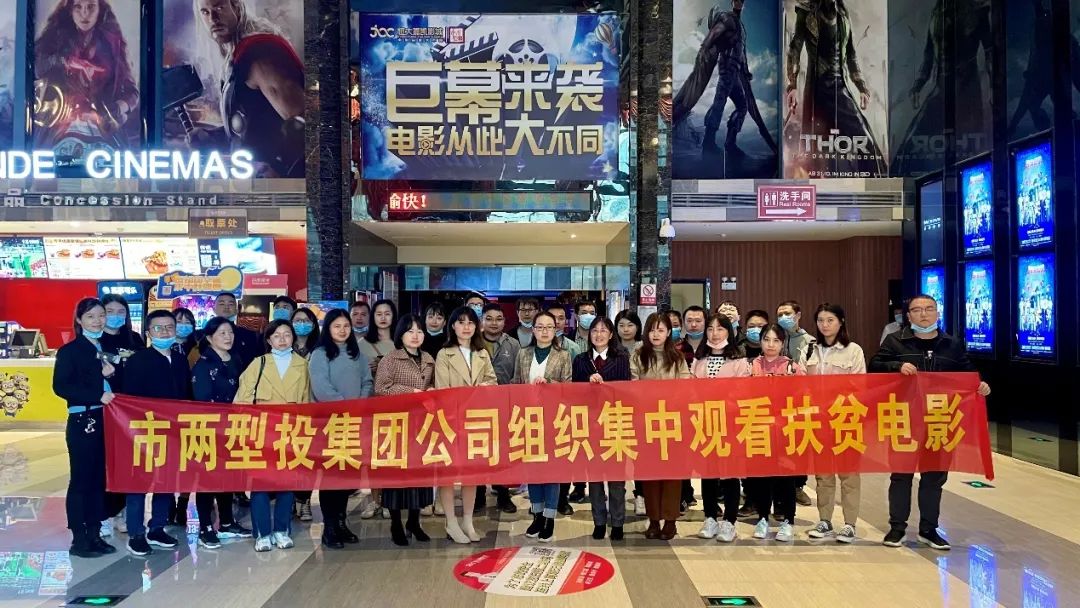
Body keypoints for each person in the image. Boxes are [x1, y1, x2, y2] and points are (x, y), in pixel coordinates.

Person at [871, 294, 991, 551]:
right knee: (901, 475)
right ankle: (897, 528)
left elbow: (968, 374)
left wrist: (979, 385)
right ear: (908, 316)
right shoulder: (895, 341)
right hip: (905, 419)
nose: (923, 314)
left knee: (934, 477)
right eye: (917, 310)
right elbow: (875, 365)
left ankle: (928, 529)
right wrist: (897, 365)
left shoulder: (952, 344)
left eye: (929, 309)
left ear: (937, 312)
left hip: (939, 419)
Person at [191, 0, 304, 177]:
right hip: (250, 181)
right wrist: (213, 137)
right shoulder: (237, 58)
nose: (213, 18)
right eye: (205, 12)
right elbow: (252, 127)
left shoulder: (259, 53)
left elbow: (303, 121)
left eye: (219, 7)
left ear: (236, 7)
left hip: (276, 185)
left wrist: (282, 176)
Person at [234, 320, 311, 552]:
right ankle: (262, 533)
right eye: (277, 335)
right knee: (260, 484)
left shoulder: (303, 365)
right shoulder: (258, 363)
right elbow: (242, 399)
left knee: (287, 484)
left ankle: (281, 530)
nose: (282, 339)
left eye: (287, 334)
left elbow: (307, 401)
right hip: (262, 431)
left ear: (293, 337)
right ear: (268, 340)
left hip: (291, 431)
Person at [121, 310, 192, 556]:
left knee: (166, 481)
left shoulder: (180, 359)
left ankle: (157, 528)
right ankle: (136, 533)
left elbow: (186, 394)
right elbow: (129, 399)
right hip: (144, 431)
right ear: (148, 333)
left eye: (169, 327)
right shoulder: (138, 360)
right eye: (158, 328)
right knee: (138, 483)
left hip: (172, 431)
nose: (165, 332)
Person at [53, 297, 117, 558]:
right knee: (81, 479)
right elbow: (61, 386)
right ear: (79, 320)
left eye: (101, 315)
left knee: (99, 479)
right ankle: (79, 539)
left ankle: (94, 533)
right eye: (91, 316)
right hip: (83, 420)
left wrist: (111, 375)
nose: (97, 321)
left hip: (105, 419)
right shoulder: (70, 351)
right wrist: (96, 394)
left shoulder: (103, 347)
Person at [33, 0, 139, 159]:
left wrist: (111, 112)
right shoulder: (54, 38)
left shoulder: (113, 44)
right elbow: (36, 68)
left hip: (103, 131)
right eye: (78, 7)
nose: (85, 13)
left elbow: (132, 93)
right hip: (58, 128)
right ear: (70, 10)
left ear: (100, 9)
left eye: (91, 7)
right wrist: (66, 61)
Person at [308, 309, 373, 549]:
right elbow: (321, 388)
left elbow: (367, 382)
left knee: (347, 476)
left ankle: (341, 522)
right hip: (330, 424)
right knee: (331, 477)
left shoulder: (358, 354)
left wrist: (360, 404)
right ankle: (329, 527)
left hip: (354, 424)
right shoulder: (320, 354)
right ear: (328, 329)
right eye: (337, 326)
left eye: (346, 326)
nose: (343, 330)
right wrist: (345, 406)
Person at [435, 307, 498, 544]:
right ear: (452, 326)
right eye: (461, 322)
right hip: (451, 421)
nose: (466, 327)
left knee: (472, 474)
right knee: (448, 474)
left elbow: (493, 381)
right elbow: (442, 391)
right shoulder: (444, 354)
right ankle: (451, 521)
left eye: (470, 322)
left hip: (477, 421)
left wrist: (485, 388)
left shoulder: (482, 353)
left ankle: (468, 521)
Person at [191, 316, 254, 548]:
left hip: (234, 427)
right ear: (209, 338)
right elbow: (202, 399)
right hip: (210, 429)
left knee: (229, 475)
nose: (228, 337)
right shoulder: (204, 363)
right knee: (208, 478)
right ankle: (205, 527)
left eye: (230, 332)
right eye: (222, 333)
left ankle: (227, 522)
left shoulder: (235, 359)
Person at [374, 314, 437, 546]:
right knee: (396, 475)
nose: (415, 335)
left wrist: (432, 390)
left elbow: (433, 384)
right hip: (396, 425)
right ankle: (395, 523)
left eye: (419, 331)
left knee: (419, 475)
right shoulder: (390, 359)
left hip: (421, 425)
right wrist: (411, 392)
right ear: (401, 335)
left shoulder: (428, 358)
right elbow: (381, 388)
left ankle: (414, 521)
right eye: (410, 331)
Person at [805, 303, 866, 543]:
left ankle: (850, 523)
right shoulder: (810, 350)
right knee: (823, 475)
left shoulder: (853, 350)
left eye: (830, 320)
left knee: (849, 475)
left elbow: (859, 386)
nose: (825, 325)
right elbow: (801, 384)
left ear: (841, 322)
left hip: (845, 418)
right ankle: (825, 520)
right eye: (820, 320)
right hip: (818, 420)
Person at [631, 312, 692, 541]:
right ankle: (654, 519)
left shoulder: (677, 358)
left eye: (661, 330)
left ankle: (670, 520)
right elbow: (632, 386)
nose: (656, 334)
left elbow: (685, 387)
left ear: (668, 333)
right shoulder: (638, 356)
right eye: (652, 330)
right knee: (650, 473)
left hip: (672, 422)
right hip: (646, 423)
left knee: (672, 474)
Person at [513, 311, 572, 542]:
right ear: (533, 329)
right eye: (540, 326)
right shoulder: (523, 353)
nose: (545, 331)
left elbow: (569, 387)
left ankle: (549, 518)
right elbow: (516, 383)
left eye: (549, 326)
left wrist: (550, 384)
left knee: (552, 471)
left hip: (554, 420)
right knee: (533, 470)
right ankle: (537, 515)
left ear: (556, 329)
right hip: (528, 419)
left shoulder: (563, 355)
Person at [691, 314, 751, 543]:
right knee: (708, 473)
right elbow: (691, 390)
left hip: (730, 424)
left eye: (720, 329)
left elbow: (743, 392)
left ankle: (729, 521)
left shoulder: (739, 361)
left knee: (730, 473)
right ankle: (710, 517)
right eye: (710, 328)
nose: (714, 333)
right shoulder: (699, 360)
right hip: (705, 422)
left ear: (729, 331)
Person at [572, 316, 631, 541]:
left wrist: (603, 384)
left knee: (616, 479)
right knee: (594, 478)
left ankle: (618, 522)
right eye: (594, 330)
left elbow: (625, 390)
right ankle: (598, 521)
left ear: (611, 334)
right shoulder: (580, 360)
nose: (598, 334)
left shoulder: (622, 359)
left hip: (615, 424)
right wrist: (588, 383)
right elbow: (573, 393)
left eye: (603, 330)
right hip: (590, 426)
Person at [747, 324, 805, 543]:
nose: (771, 345)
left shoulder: (792, 368)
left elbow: (803, 398)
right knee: (761, 479)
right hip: (758, 428)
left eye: (776, 340)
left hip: (785, 430)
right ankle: (762, 518)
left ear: (783, 343)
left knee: (785, 479)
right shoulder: (750, 366)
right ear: (760, 341)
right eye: (766, 339)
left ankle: (788, 521)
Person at [475, 303, 519, 514]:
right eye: (489, 318)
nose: (494, 323)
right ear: (482, 320)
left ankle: (503, 493)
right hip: (476, 407)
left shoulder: (513, 344)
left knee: (503, 452)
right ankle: (478, 495)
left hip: (505, 406)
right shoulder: (472, 343)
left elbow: (517, 376)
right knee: (477, 452)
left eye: (499, 319)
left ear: (504, 321)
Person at [777, 300, 814, 507]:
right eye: (780, 314)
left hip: (800, 400)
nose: (783, 317)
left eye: (787, 313)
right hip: (777, 401)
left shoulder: (810, 342)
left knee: (799, 443)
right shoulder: (776, 337)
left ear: (798, 315)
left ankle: (798, 486)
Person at [213, 292, 261, 367]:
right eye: (222, 304)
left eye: (231, 304)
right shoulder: (203, 335)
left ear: (236, 310)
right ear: (214, 309)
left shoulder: (249, 335)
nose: (226, 307)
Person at [358, 299, 396, 374]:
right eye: (379, 314)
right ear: (373, 317)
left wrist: (383, 366)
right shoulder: (362, 344)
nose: (383, 318)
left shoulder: (402, 342)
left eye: (387, 314)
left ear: (393, 316)